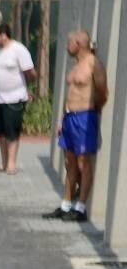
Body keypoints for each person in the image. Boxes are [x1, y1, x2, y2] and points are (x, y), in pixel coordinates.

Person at [44, 29, 109, 224]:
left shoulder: (93, 64)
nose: (66, 46)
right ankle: (65, 206)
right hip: (70, 118)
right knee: (69, 162)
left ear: (79, 44)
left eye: (69, 42)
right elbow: (70, 94)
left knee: (83, 162)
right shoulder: (76, 65)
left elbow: (103, 92)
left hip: (84, 118)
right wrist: (63, 119)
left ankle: (80, 209)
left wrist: (91, 112)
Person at [0, 22, 36, 175]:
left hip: (14, 99)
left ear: (4, 35)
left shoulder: (18, 50)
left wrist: (26, 90)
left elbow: (30, 73)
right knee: (1, 133)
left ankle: (11, 164)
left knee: (12, 132)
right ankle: (3, 164)